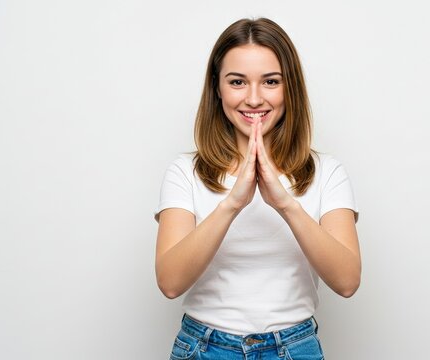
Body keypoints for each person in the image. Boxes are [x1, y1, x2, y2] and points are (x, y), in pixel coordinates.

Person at [154, 17, 361, 359]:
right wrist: (232, 204)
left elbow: (347, 281)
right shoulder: (184, 173)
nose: (253, 98)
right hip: (205, 348)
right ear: (217, 88)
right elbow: (170, 282)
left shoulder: (327, 172)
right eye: (237, 82)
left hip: (295, 348)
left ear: (289, 88)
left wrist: (286, 204)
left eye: (270, 81)